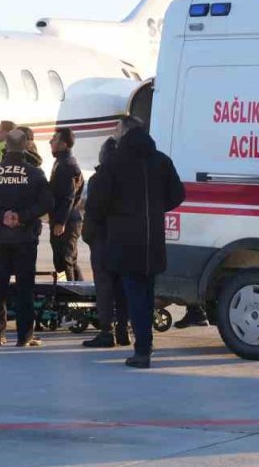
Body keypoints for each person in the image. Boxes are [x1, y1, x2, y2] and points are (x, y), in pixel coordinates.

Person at [86, 116, 185, 368]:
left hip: (124, 240)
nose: (115, 134)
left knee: (134, 295)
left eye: (117, 129)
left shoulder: (114, 163)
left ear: (126, 130)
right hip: (153, 239)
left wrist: (104, 221)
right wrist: (156, 207)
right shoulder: (161, 160)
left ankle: (142, 350)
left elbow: (97, 203)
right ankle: (144, 343)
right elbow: (178, 194)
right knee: (147, 294)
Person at [0, 129, 53, 347]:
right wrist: (23, 217)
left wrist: (1, 216)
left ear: (5, 147)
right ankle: (24, 336)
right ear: (26, 146)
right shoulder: (35, 173)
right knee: (24, 288)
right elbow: (47, 203)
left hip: (0, 238)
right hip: (25, 239)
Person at [81, 137, 128, 348]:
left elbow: (93, 212)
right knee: (122, 288)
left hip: (102, 240)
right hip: (124, 239)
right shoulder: (129, 178)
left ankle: (106, 331)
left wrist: (88, 236)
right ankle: (123, 329)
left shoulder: (98, 179)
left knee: (104, 287)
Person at [48, 127, 84, 281]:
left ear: (64, 144)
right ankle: (79, 294)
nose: (50, 141)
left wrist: (60, 222)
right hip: (68, 218)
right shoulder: (63, 162)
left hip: (67, 221)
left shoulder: (66, 165)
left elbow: (69, 196)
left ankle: (69, 296)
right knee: (69, 260)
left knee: (64, 261)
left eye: (54, 139)